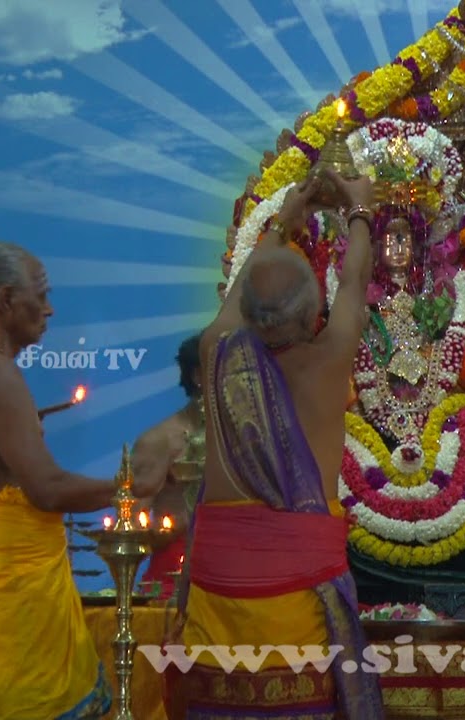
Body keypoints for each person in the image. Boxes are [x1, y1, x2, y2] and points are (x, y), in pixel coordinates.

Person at [0, 241, 160, 719]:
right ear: (6, 300)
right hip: (12, 600)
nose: (50, 308)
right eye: (42, 294)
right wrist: (129, 485)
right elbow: (47, 489)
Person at [166, 169, 384, 719]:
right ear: (313, 315)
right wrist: (359, 210)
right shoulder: (329, 360)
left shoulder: (217, 352)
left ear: (246, 314)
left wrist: (285, 221)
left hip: (217, 601)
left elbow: (240, 294)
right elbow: (354, 284)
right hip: (296, 601)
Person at [133, 332, 203, 600]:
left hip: (235, 579)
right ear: (198, 376)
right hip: (171, 583)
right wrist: (186, 522)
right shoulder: (159, 440)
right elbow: (130, 531)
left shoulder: (244, 438)